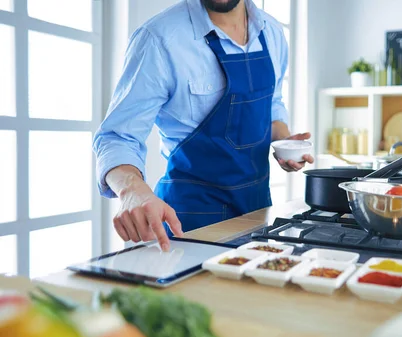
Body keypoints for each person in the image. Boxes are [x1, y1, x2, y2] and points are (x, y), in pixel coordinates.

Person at [93, 0, 313, 252]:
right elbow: (116, 137)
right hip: (189, 222)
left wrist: (285, 142)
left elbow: (272, 103)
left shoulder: (272, 32)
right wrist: (132, 190)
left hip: (257, 215)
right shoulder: (159, 38)